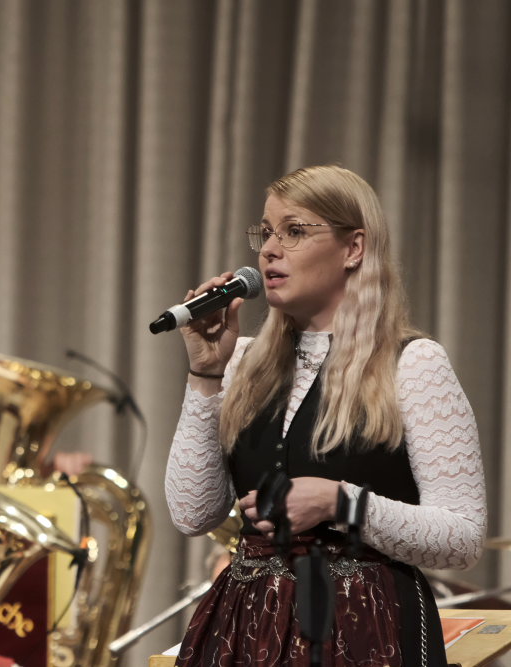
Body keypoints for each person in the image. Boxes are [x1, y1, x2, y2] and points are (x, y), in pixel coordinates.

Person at [163, 165, 486, 666]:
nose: (270, 250)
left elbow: (462, 539)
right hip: (248, 625)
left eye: (294, 231)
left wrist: (342, 503)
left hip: (369, 627)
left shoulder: (412, 363)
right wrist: (206, 373)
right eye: (266, 233)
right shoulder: (242, 361)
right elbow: (191, 514)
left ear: (353, 248)